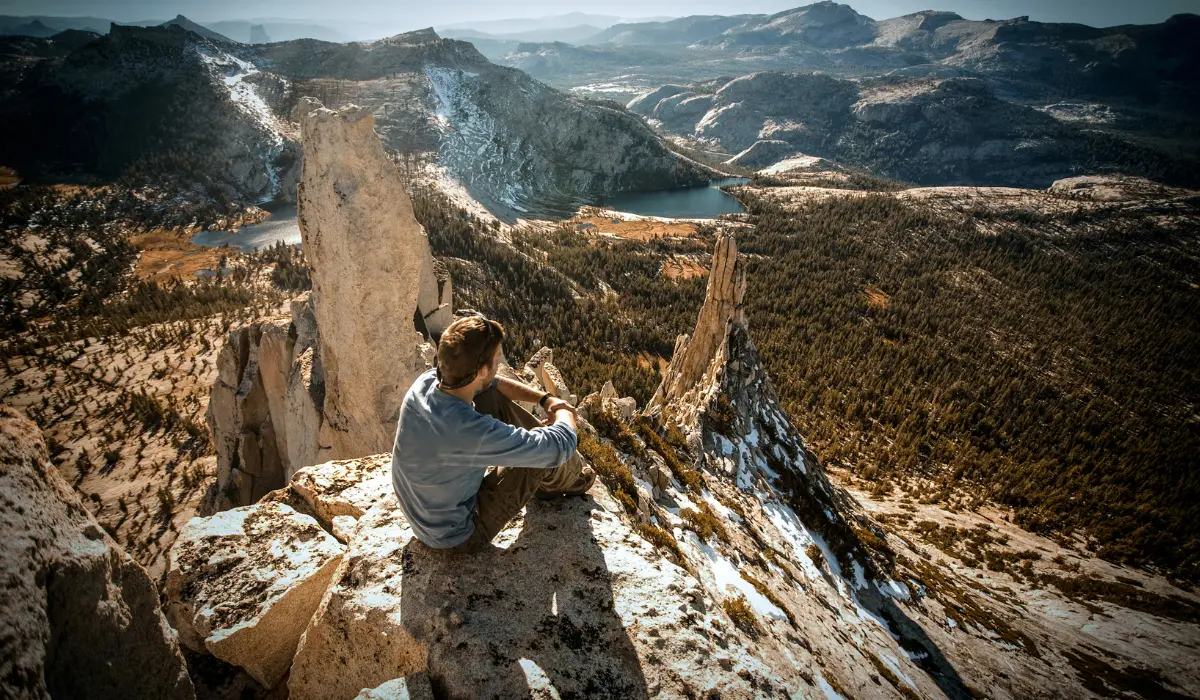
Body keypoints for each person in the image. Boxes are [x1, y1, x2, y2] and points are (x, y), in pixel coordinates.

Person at [391, 314, 595, 552]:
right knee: (542, 456)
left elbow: (491, 383)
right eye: (497, 359)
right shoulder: (469, 430)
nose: (499, 364)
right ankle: (571, 482)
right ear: (480, 369)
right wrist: (563, 410)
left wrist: (544, 398)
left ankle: (540, 457)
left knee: (489, 395)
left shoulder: (426, 383)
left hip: (426, 514)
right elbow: (560, 445)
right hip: (458, 535)